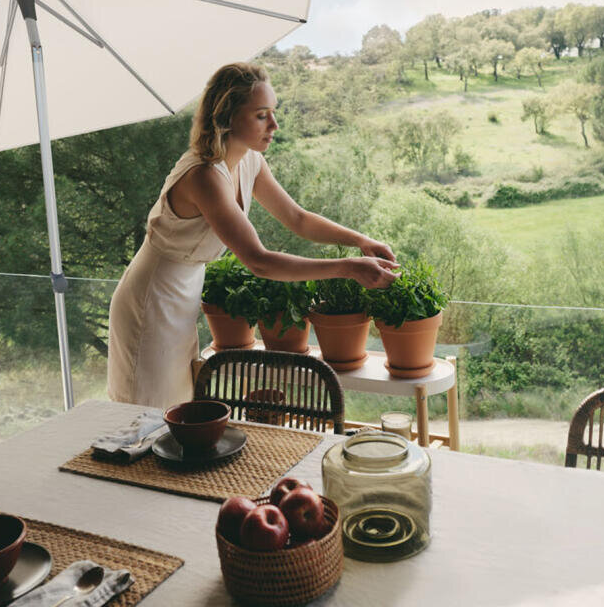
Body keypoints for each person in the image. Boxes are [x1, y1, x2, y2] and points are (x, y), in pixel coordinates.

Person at [107, 62, 399, 408]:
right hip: (151, 298)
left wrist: (359, 240)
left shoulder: (249, 160)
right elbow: (259, 261)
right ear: (226, 117)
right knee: (145, 412)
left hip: (183, 296)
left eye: (272, 113)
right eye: (262, 115)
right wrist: (350, 267)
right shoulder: (204, 176)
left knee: (177, 407)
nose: (274, 125)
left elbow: (297, 218)